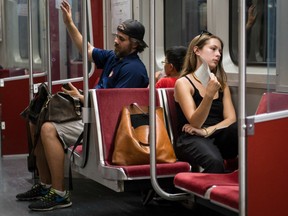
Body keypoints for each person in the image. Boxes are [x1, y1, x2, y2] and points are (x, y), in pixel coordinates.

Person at [16, 0, 149, 211]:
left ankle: (60, 194)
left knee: (49, 129)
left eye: (121, 39)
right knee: (37, 118)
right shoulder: (115, 58)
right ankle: (45, 184)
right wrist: (69, 23)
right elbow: (86, 49)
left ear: (135, 45)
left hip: (105, 126)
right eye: (116, 36)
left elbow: (112, 111)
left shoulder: (133, 70)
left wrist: (80, 97)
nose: (115, 41)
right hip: (90, 112)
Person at [173, 31, 238, 173]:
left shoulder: (221, 85)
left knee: (240, 129)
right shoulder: (184, 83)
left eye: (220, 51)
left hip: (215, 133)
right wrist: (208, 95)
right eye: (213, 49)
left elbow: (231, 119)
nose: (218, 55)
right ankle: (210, 194)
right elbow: (195, 123)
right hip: (191, 138)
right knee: (214, 162)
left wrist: (206, 131)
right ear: (197, 50)